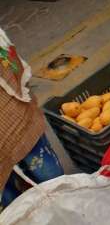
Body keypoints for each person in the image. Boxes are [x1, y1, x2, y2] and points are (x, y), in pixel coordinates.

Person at [0, 27, 64, 209]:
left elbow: (10, 63)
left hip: (14, 115)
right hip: (15, 113)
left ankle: (63, 208)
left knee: (48, 177)